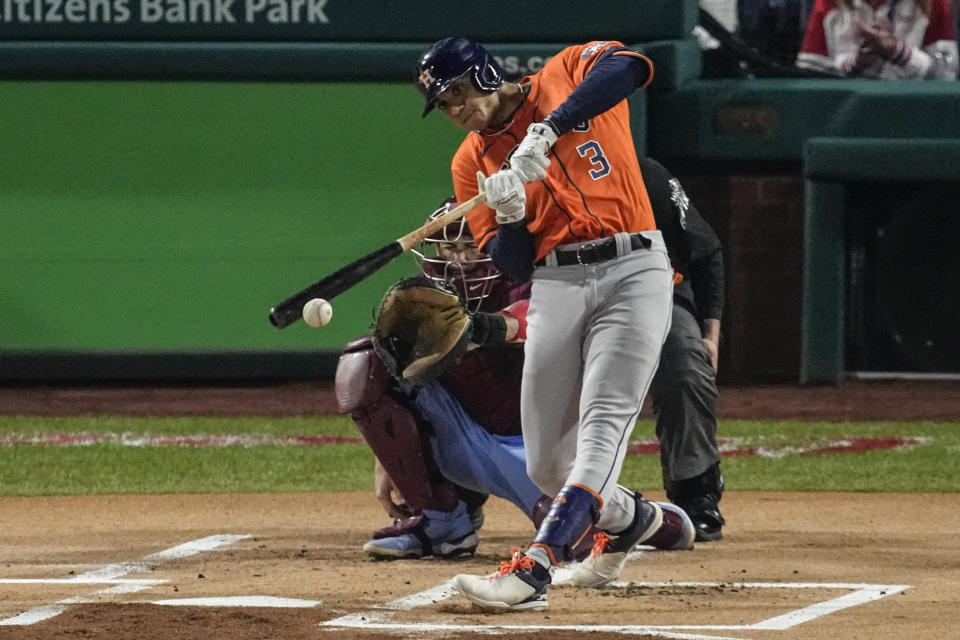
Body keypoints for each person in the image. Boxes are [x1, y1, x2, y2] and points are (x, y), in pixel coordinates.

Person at [415, 36, 675, 611]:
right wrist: (509, 214)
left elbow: (633, 66)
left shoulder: (565, 71)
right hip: (557, 283)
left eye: (458, 94)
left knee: (602, 425)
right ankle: (633, 520)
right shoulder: (471, 162)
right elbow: (512, 262)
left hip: (634, 266)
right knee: (546, 464)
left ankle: (533, 569)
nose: (455, 111)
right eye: (444, 105)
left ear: (486, 74)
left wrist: (549, 127)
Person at [335, 199, 695, 561]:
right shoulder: (425, 294)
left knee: (575, 546)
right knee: (364, 361)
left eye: (467, 247)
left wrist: (485, 328)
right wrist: (390, 460)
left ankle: (657, 519)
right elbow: (396, 379)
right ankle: (440, 521)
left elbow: (531, 319)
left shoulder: (532, 272)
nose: (457, 259)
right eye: (449, 248)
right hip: (464, 435)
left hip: (534, 448)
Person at [796, 0, 958, 79]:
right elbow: (812, 77)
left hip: (916, 117)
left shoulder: (934, 3)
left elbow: (947, 68)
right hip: (846, 121)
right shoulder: (828, 4)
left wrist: (896, 50)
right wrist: (858, 62)